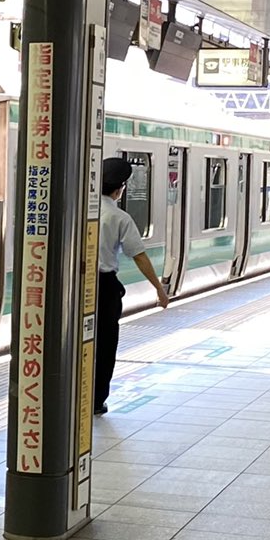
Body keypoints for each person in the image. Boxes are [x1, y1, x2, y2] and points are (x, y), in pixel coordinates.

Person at [97, 154, 167, 413]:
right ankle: (96, 399)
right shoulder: (119, 217)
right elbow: (138, 255)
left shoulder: (78, 210)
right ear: (120, 189)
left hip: (76, 285)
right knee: (105, 345)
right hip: (104, 288)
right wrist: (159, 288)